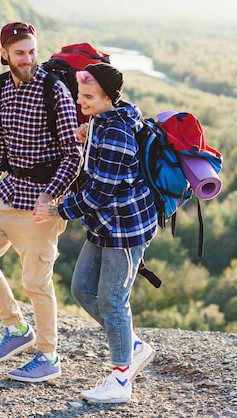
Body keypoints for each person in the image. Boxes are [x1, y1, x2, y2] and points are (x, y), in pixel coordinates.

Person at [0, 21, 81, 383]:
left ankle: (49, 356)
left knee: (37, 283)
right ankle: (17, 329)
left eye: (32, 51)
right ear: (4, 54)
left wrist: (51, 194)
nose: (28, 59)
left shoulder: (55, 91)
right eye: (19, 53)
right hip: (8, 193)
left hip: (41, 205)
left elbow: (73, 154)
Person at [35, 63, 157, 403]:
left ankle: (120, 382)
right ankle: (132, 345)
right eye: (79, 94)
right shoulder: (104, 120)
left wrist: (58, 209)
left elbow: (99, 193)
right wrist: (88, 134)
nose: (80, 101)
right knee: (82, 289)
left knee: (112, 301)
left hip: (124, 228)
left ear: (108, 97)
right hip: (104, 223)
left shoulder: (117, 132)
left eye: (88, 96)